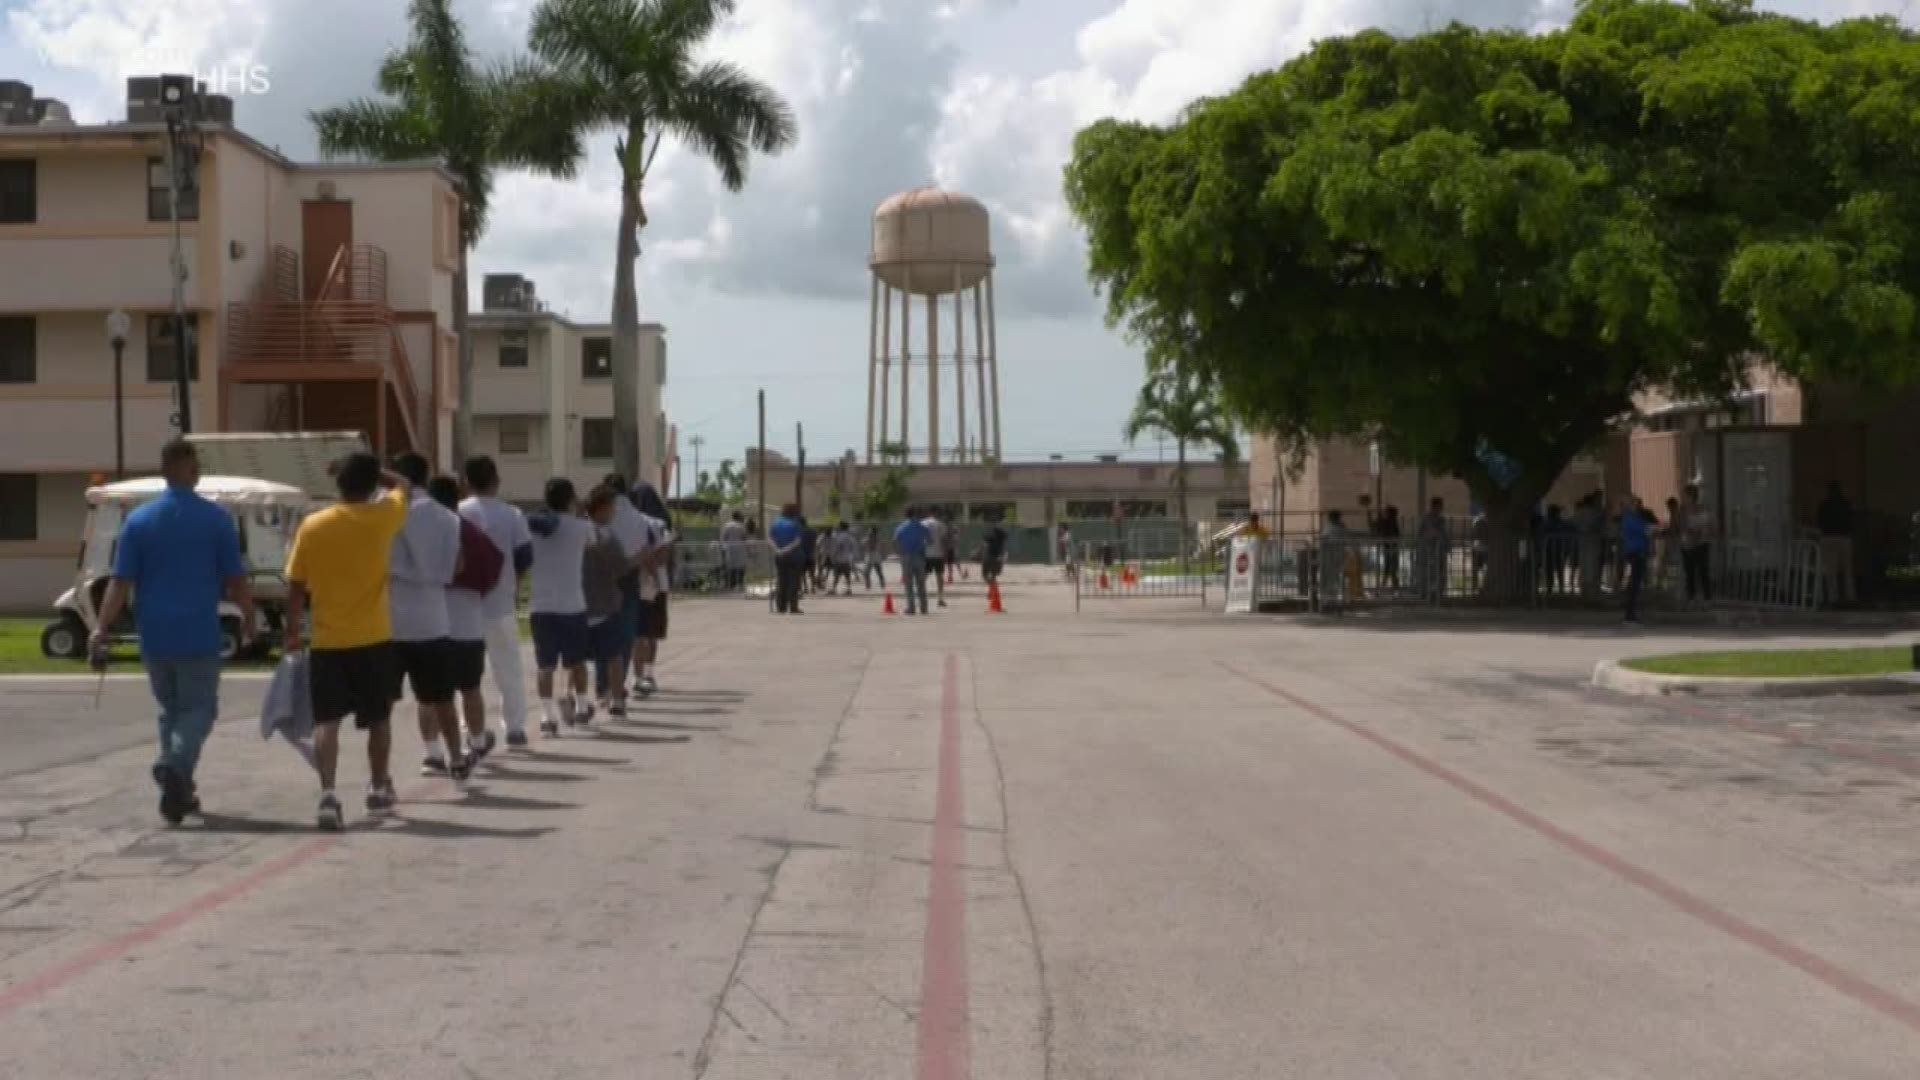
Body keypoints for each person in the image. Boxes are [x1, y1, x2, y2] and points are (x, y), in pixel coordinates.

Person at [91, 439, 255, 825]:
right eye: (194, 466)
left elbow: (120, 581)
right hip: (197, 631)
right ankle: (174, 765)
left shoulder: (139, 521)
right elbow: (236, 578)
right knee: (200, 709)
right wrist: (249, 617)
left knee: (171, 711)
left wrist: (101, 627)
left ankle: (179, 790)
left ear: (164, 471)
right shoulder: (215, 519)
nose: (197, 472)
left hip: (155, 632)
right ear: (188, 471)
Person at [283, 451, 411, 831]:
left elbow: (295, 586)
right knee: (378, 720)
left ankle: (328, 794)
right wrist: (377, 471)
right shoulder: (383, 517)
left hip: (328, 640)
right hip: (374, 637)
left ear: (337, 484)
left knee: (327, 721)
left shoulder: (313, 525)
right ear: (372, 485)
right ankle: (376, 785)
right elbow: (403, 485)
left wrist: (292, 630)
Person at [389, 452, 466, 782]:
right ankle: (457, 757)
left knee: (382, 709)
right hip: (433, 619)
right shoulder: (448, 517)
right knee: (440, 697)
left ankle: (428, 755)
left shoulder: (388, 511)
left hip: (391, 621)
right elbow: (459, 565)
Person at [458, 456, 534, 748]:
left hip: (463, 606)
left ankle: (470, 728)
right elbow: (525, 557)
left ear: (466, 482)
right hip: (500, 602)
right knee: (508, 669)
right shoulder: (512, 514)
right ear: (496, 480)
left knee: (466, 676)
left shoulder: (456, 512)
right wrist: (513, 583)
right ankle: (514, 728)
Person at [429, 476, 500, 763]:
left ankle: (432, 752)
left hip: (431, 625)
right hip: (467, 621)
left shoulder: (420, 531)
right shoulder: (471, 532)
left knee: (431, 694)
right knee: (470, 688)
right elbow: (492, 571)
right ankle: (478, 740)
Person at [527, 478, 595, 736]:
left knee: (545, 666)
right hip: (572, 605)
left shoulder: (533, 529)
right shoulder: (581, 528)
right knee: (577, 663)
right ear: (571, 499)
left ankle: (546, 717)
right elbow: (595, 541)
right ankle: (580, 707)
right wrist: (580, 512)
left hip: (541, 606)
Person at [582, 486, 634, 717]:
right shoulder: (606, 535)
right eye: (612, 507)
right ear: (602, 507)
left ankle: (581, 701)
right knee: (614, 655)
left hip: (577, 605)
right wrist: (638, 558)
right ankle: (616, 700)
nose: (614, 511)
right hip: (604, 603)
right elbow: (622, 567)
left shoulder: (576, 531)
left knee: (577, 658)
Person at [630, 482, 675, 696]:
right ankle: (648, 674)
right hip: (658, 583)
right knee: (653, 633)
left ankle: (637, 676)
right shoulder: (660, 524)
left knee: (638, 634)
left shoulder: (630, 523)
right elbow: (664, 557)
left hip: (634, 583)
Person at [1818, 481, 1856, 605]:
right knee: (1847, 570)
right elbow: (1851, 521)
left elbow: (1820, 522)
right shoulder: (1846, 505)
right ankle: (1850, 597)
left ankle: (1832, 598)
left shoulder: (1824, 506)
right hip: (1844, 537)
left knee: (1831, 571)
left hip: (1828, 537)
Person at [1680, 483, 1714, 606]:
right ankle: (1691, 597)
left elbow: (1709, 525)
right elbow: (1682, 526)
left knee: (1703, 570)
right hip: (1687, 544)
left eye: (1685, 495)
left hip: (1701, 543)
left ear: (1691, 496)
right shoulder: (1683, 510)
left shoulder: (1703, 509)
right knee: (1689, 572)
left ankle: (1707, 597)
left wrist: (1702, 530)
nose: (1683, 498)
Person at [1620, 497, 1653, 625]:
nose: (1638, 507)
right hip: (1635, 553)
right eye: (1635, 504)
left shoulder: (1635, 518)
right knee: (1634, 584)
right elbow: (1647, 530)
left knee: (1635, 584)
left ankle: (1631, 613)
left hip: (1638, 552)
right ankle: (1629, 615)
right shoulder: (1630, 519)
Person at [895, 507, 933, 615]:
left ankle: (911, 608)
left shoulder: (901, 527)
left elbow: (895, 541)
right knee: (921, 583)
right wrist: (922, 545)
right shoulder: (922, 526)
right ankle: (924, 607)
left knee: (909, 584)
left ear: (906, 515)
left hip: (906, 557)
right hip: (919, 556)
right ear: (915, 514)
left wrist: (900, 552)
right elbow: (930, 541)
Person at [770, 504, 806, 614]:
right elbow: (797, 541)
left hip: (779, 555)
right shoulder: (795, 523)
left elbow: (770, 538)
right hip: (794, 556)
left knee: (781, 580)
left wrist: (777, 550)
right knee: (793, 581)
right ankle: (793, 606)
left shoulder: (775, 523)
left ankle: (781, 606)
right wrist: (787, 549)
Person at [1415, 497, 1450, 601]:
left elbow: (1443, 534)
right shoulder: (1427, 519)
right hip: (1428, 551)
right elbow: (1425, 534)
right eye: (1439, 506)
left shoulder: (1441, 519)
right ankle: (1426, 594)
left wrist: (1446, 546)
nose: (1440, 509)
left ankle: (1438, 594)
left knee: (1439, 574)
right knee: (1428, 574)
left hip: (1439, 551)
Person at [924, 509, 950, 609]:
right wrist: (945, 552)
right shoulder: (941, 524)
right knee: (939, 577)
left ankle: (921, 596)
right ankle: (940, 599)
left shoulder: (923, 523)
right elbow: (944, 540)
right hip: (938, 554)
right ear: (937, 513)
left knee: (924, 576)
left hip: (926, 554)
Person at [719, 511, 749, 591]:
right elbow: (744, 537)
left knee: (731, 566)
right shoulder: (741, 526)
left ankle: (731, 584)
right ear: (738, 517)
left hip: (729, 548)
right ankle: (740, 583)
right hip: (739, 548)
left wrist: (723, 548)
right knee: (741, 566)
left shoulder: (727, 525)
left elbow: (723, 537)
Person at [1376, 505, 1402, 589]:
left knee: (1390, 567)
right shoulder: (1392, 521)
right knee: (1390, 567)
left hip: (1390, 547)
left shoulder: (1389, 521)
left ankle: (1389, 584)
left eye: (1386, 512)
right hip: (1391, 547)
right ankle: (1391, 584)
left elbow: (1379, 527)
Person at [827, 523, 857, 595]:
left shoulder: (837, 537)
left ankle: (834, 589)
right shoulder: (850, 537)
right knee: (847, 575)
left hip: (838, 559)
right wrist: (852, 557)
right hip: (847, 559)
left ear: (841, 528)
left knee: (836, 575)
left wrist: (833, 557)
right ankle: (849, 589)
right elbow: (853, 547)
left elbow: (835, 548)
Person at [980, 516, 1009, 584]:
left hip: (995, 555)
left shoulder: (1000, 532)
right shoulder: (991, 533)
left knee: (992, 572)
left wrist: (1003, 554)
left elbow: (1004, 542)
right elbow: (984, 542)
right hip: (992, 554)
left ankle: (992, 581)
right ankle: (991, 581)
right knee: (988, 573)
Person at [863, 523, 888, 591]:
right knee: (878, 571)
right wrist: (883, 554)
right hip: (876, 555)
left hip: (871, 556)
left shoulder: (869, 537)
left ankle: (868, 584)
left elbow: (864, 543)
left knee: (867, 572)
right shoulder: (878, 537)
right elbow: (883, 544)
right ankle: (882, 584)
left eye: (870, 530)